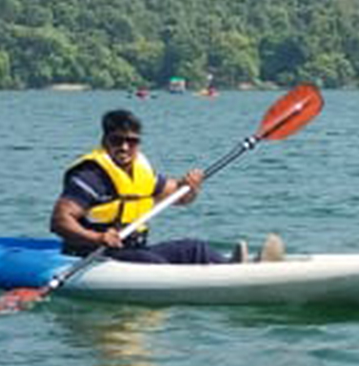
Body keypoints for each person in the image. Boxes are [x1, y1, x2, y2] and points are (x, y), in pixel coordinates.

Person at [51, 109, 283, 264]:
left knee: (195, 249)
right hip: (95, 255)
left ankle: (238, 269)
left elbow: (180, 198)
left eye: (131, 141)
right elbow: (59, 221)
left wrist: (190, 187)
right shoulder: (91, 175)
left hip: (132, 249)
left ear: (138, 143)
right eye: (116, 140)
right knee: (155, 265)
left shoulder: (141, 170)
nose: (124, 147)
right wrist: (96, 238)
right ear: (105, 141)